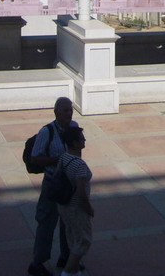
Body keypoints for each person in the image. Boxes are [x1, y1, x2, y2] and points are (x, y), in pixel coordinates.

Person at [28, 97, 79, 276]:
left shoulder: (74, 127)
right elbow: (35, 157)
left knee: (68, 223)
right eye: (65, 110)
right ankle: (38, 263)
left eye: (70, 110)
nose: (68, 113)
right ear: (56, 112)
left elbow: (78, 149)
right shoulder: (46, 132)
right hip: (52, 184)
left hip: (69, 184)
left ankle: (65, 257)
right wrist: (58, 160)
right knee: (46, 222)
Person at [55, 127, 93, 276]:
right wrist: (88, 208)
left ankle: (75, 272)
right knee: (82, 242)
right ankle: (67, 272)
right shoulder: (79, 165)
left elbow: (57, 176)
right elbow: (81, 191)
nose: (84, 140)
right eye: (82, 138)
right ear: (75, 143)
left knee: (72, 239)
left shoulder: (64, 158)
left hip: (64, 206)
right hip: (76, 209)